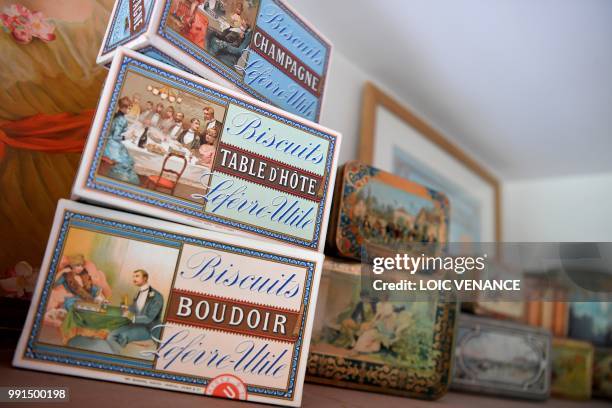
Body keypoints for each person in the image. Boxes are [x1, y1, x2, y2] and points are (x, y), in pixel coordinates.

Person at [106, 270, 163, 354]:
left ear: (145, 278)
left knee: (123, 336)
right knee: (111, 336)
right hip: (136, 324)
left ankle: (118, 357)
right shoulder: (138, 293)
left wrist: (132, 317)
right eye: (133, 276)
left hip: (149, 328)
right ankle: (117, 355)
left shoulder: (156, 296)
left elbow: (149, 318)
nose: (134, 278)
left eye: (137, 276)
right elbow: (136, 308)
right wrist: (127, 308)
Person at [103, 96, 140, 184]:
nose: (130, 110)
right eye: (129, 108)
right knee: (128, 161)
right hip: (111, 144)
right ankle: (118, 181)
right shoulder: (121, 119)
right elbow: (115, 137)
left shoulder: (117, 115)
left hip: (110, 141)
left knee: (129, 159)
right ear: (123, 108)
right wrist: (126, 137)